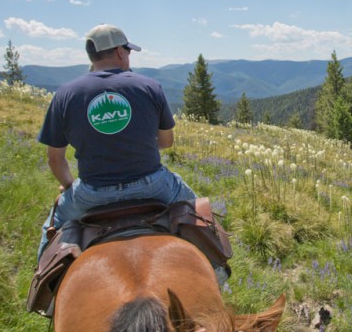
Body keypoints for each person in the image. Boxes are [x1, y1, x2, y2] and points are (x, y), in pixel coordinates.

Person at [37, 24, 227, 284]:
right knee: (199, 213)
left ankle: (43, 285)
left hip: (92, 192)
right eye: (128, 51)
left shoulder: (65, 94)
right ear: (118, 52)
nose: (129, 57)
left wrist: (70, 187)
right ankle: (218, 271)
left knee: (54, 221)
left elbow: (55, 159)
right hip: (154, 186)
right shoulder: (149, 86)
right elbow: (167, 142)